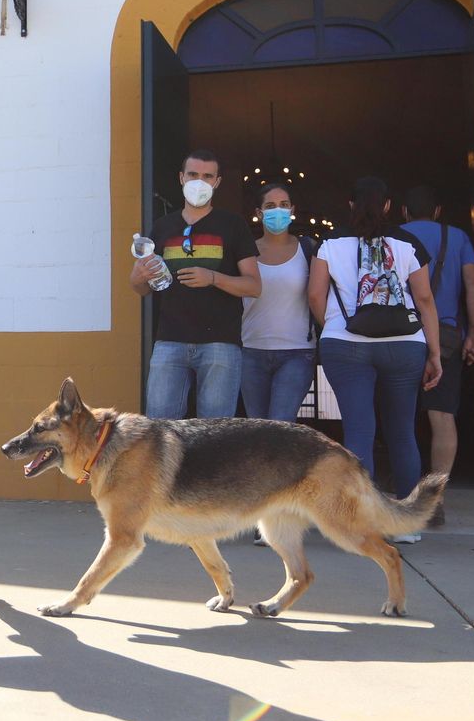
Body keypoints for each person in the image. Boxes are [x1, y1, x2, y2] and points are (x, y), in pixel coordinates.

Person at [307, 177, 442, 544]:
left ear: (350, 205)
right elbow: (426, 299)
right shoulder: (407, 243)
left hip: (346, 345)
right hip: (404, 345)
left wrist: (335, 326)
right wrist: (435, 351)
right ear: (387, 206)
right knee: (402, 431)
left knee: (359, 431)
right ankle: (407, 526)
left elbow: (315, 295)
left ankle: (360, 522)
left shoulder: (330, 244)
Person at [131, 150, 260, 420]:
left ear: (217, 182)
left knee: (214, 433)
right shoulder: (163, 227)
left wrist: (213, 278)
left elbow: (253, 286)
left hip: (220, 343)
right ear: (181, 178)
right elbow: (141, 288)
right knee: (158, 428)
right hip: (169, 340)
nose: (199, 182)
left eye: (207, 176)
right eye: (193, 175)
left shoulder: (233, 225)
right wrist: (140, 275)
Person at [400, 185, 474, 524]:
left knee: (398, 416)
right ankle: (434, 501)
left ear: (403, 212)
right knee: (442, 416)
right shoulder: (458, 237)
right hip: (448, 336)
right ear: (437, 212)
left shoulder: (394, 236)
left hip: (400, 334)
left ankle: (401, 493)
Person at [240, 182, 318, 423]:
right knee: (258, 428)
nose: (278, 211)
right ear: (259, 213)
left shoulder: (309, 248)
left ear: (292, 210)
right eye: (271, 206)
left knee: (282, 425)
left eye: (284, 205)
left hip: (297, 353)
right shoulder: (244, 252)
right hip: (251, 352)